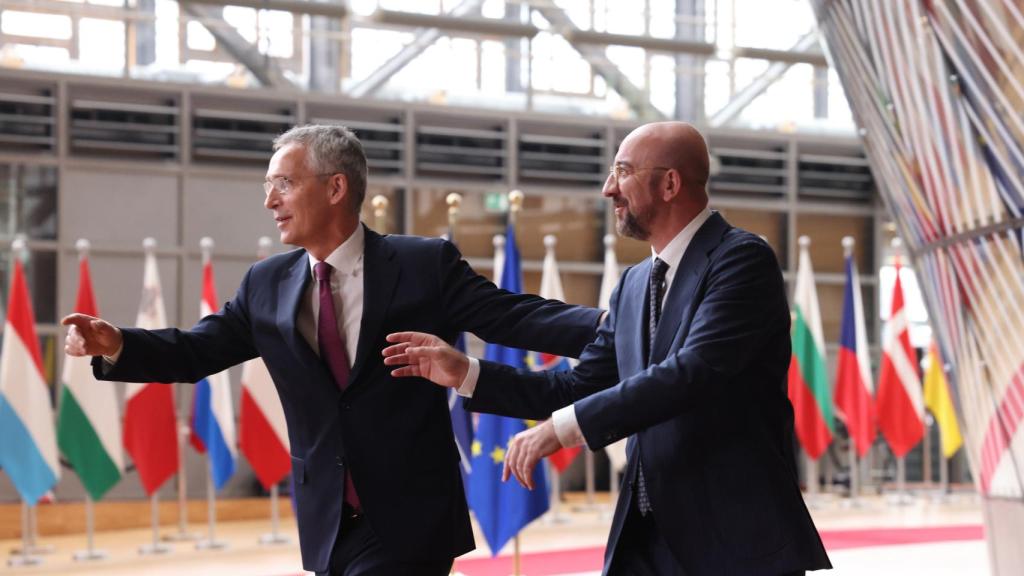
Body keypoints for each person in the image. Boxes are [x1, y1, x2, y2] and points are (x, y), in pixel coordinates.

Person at [62, 124, 603, 576]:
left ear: (336, 187)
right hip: (324, 522)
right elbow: (199, 351)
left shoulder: (421, 265)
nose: (269, 201)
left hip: (411, 521)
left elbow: (517, 316)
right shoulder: (265, 283)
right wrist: (119, 344)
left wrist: (621, 324)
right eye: (268, 186)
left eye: (283, 184)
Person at [383, 122, 833, 576]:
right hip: (644, 542)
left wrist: (560, 430)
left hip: (734, 539)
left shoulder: (741, 260)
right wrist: (466, 373)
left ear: (670, 183)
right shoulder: (634, 284)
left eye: (622, 171)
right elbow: (577, 385)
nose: (607, 189)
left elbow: (691, 373)